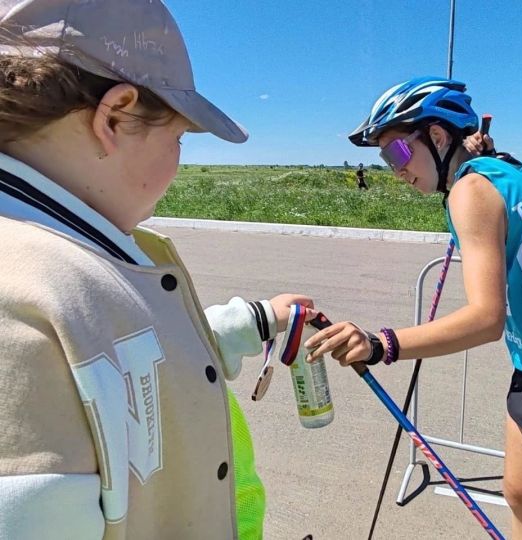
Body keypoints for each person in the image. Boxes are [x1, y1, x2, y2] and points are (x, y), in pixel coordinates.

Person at [0, 1, 316, 539]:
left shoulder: (70, 257)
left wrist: (256, 319)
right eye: (177, 139)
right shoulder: (31, 308)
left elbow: (123, 357)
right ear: (116, 116)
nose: (177, 161)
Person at [305, 77, 522, 539]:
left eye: (397, 153)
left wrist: (381, 345)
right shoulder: (498, 166)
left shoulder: (469, 191)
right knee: (521, 498)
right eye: (383, 160)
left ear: (437, 137)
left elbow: (485, 318)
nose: (395, 169)